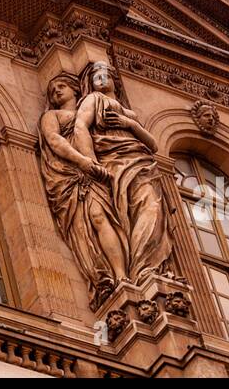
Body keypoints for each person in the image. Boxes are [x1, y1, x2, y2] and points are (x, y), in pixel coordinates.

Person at [71, 60, 174, 285]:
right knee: (129, 212)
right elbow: (80, 127)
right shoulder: (93, 99)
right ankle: (139, 271)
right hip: (113, 162)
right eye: (94, 75)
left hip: (140, 161)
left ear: (114, 78)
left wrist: (129, 124)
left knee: (152, 208)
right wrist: (92, 162)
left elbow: (153, 145)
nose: (99, 78)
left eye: (103, 73)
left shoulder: (129, 113)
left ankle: (145, 267)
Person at [38, 73, 125, 308]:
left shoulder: (92, 107)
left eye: (62, 86)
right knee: (86, 223)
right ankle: (102, 275)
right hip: (72, 176)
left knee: (102, 218)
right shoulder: (51, 115)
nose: (57, 91)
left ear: (76, 89)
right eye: (52, 90)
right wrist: (82, 161)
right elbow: (54, 140)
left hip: (97, 171)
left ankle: (121, 276)